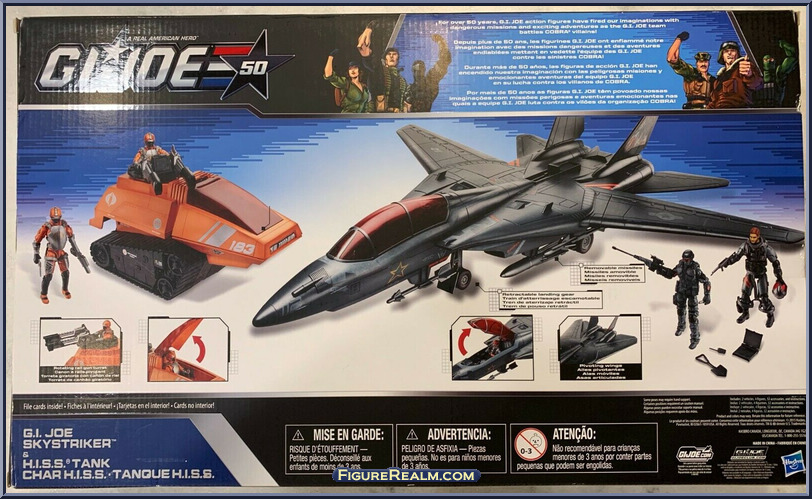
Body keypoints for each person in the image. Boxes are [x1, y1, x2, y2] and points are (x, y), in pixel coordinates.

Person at [713, 227, 786, 328]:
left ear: (758, 237)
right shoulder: (745, 246)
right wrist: (726, 263)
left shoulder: (765, 247)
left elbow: (775, 263)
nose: (752, 239)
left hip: (761, 274)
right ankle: (745, 313)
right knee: (744, 295)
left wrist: (779, 277)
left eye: (754, 237)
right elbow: (736, 257)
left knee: (764, 298)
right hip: (750, 273)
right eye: (751, 237)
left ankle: (770, 316)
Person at [650, 250, 711, 350]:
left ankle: (695, 338)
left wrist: (707, 295)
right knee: (680, 311)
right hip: (681, 292)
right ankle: (681, 327)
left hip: (691, 294)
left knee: (692, 316)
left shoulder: (695, 268)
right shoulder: (680, 266)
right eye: (684, 259)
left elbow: (706, 281)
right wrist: (659, 269)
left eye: (687, 260)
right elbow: (671, 274)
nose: (685, 261)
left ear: (691, 259)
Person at [33, 207, 84, 304]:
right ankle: (43, 294)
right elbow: (37, 241)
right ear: (51, 217)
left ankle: (65, 289)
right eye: (54, 218)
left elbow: (71, 238)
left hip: (61, 251)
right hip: (51, 251)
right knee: (48, 275)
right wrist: (36, 253)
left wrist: (77, 251)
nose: (56, 220)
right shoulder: (46, 226)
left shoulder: (64, 225)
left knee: (66, 272)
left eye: (58, 218)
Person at [357, 23, 410, 113]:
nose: (392, 56)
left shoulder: (402, 80)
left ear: (397, 59)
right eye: (389, 54)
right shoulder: (380, 72)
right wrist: (366, 56)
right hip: (379, 115)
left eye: (394, 54)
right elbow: (372, 65)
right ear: (385, 59)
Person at [707, 40, 763, 109]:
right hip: (720, 112)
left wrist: (750, 75)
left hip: (739, 111)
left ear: (737, 54)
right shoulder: (717, 80)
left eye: (733, 50)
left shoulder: (743, 67)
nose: (729, 53)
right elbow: (714, 101)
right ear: (722, 56)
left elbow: (757, 84)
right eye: (726, 51)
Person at [665, 31, 715, 109]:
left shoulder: (713, 80)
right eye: (700, 62)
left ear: (708, 63)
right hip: (692, 110)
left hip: (708, 111)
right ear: (697, 63)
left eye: (705, 62)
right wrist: (679, 39)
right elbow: (671, 58)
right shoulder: (691, 73)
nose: (703, 64)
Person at [406, 34, 452, 112]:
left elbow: (444, 61)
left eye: (420, 69)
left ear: (424, 70)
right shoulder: (408, 88)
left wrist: (441, 42)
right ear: (413, 71)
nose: (418, 72)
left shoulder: (430, 81)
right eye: (416, 70)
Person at [753, 40, 798, 108]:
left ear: (774, 61)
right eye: (766, 60)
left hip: (776, 109)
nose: (769, 62)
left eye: (771, 60)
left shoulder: (779, 75)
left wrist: (781, 43)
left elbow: (793, 56)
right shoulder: (755, 77)